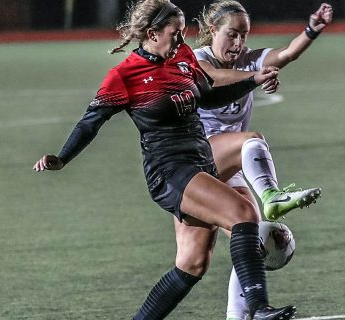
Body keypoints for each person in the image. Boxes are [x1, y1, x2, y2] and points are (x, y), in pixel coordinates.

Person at [33, 1, 297, 319]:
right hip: (169, 172)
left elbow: (208, 95)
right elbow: (91, 121)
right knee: (243, 213)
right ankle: (258, 308)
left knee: (192, 264)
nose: (181, 39)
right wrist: (62, 157)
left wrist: (252, 81)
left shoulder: (182, 57)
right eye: (175, 33)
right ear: (152, 33)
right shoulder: (126, 74)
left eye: (183, 32)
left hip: (201, 164)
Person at [193, 2, 333, 319]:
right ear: (213, 30)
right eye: (232, 34)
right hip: (201, 157)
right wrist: (256, 76)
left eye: (244, 35)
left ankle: (239, 316)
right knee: (251, 139)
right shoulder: (198, 59)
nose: (239, 43)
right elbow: (213, 77)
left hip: (233, 166)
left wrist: (311, 30)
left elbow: (286, 55)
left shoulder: (248, 59)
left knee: (250, 240)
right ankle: (271, 195)